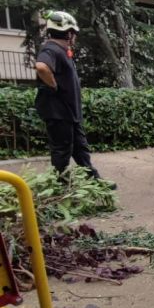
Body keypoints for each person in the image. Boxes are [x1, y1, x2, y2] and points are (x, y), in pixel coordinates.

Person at [34, 11, 115, 187]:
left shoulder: (61, 51)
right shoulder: (51, 48)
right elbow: (41, 67)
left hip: (70, 113)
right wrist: (53, 85)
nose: (75, 37)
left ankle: (94, 181)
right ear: (69, 33)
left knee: (80, 149)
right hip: (59, 112)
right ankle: (61, 188)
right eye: (74, 33)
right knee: (62, 151)